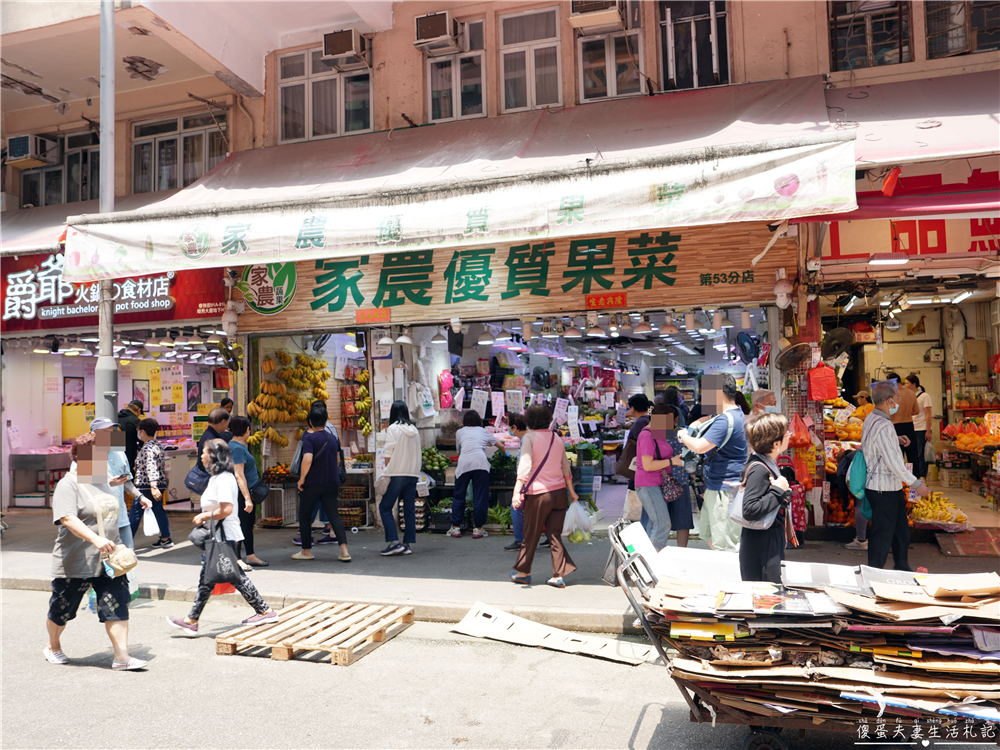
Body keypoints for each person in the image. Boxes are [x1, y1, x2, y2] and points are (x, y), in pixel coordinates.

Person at [44, 432, 147, 670]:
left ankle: (121, 657)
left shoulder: (101, 480)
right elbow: (67, 518)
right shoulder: (67, 484)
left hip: (109, 560)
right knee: (62, 609)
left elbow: (106, 510)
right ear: (82, 457)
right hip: (77, 560)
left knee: (117, 605)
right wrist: (95, 538)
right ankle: (53, 646)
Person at [166, 439, 278, 636]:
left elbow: (227, 509)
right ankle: (192, 620)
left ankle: (265, 610)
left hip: (224, 535)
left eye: (204, 452)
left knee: (234, 576)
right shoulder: (217, 477)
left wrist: (203, 515)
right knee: (208, 578)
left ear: (214, 455)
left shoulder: (225, 478)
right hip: (218, 534)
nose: (201, 456)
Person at [861, 380, 930, 571]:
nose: (898, 402)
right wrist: (916, 483)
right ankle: (873, 573)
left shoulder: (873, 418)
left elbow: (874, 443)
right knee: (882, 535)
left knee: (901, 532)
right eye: (897, 398)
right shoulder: (883, 425)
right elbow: (893, 462)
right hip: (882, 488)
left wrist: (895, 439)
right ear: (889, 401)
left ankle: (902, 567)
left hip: (891, 488)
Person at [511, 404, 579, 588]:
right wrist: (571, 491)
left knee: (530, 533)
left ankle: (523, 572)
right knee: (554, 535)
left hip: (539, 494)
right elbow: (566, 467)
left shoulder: (529, 438)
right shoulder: (556, 438)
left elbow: (524, 465)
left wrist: (517, 490)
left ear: (529, 420)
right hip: (559, 494)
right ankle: (558, 576)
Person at [677, 373, 746, 553]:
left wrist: (683, 436)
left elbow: (700, 447)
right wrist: (695, 425)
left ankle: (731, 579)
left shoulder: (724, 419)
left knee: (724, 544)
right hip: (719, 485)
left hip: (724, 487)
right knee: (712, 535)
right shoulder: (735, 414)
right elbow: (706, 421)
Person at [739, 413, 793, 583]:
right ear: (776, 443)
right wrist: (778, 490)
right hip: (762, 546)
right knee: (767, 600)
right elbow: (749, 509)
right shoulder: (759, 469)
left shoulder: (765, 463)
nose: (790, 435)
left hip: (765, 540)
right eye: (786, 433)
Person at [293, 404, 350, 562]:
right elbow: (338, 460)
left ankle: (306, 552)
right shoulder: (332, 438)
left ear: (310, 422)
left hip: (313, 483)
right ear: (325, 422)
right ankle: (344, 551)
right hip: (331, 482)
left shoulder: (309, 438)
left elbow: (308, 459)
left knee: (305, 516)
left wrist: (302, 478)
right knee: (334, 516)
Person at [86, 417, 143, 550]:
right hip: (98, 520)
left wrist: (140, 496)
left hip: (121, 517)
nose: (111, 435)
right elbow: (82, 487)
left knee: (128, 559)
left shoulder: (118, 450)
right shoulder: (88, 453)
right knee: (104, 563)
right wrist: (108, 483)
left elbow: (126, 480)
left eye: (113, 431)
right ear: (93, 434)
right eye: (106, 432)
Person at [635, 403, 683, 551]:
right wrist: (671, 461)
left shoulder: (658, 433)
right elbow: (648, 465)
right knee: (662, 523)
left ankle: (645, 561)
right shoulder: (647, 434)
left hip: (657, 484)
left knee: (652, 524)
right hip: (648, 484)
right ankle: (653, 560)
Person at [449, 410, 503, 540]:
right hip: (480, 464)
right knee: (480, 496)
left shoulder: (460, 432)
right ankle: (478, 529)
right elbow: (500, 445)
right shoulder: (483, 431)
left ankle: (455, 528)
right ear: (479, 420)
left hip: (464, 464)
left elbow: (459, 449)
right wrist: (505, 453)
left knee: (459, 495)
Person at [378, 401, 422, 557]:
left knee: (384, 507)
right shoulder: (414, 430)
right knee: (409, 509)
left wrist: (387, 472)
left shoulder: (393, 428)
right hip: (412, 474)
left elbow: (389, 452)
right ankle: (407, 544)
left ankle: (394, 543)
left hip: (397, 473)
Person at [228, 415, 268, 568]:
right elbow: (239, 475)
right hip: (241, 493)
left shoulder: (237, 446)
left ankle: (250, 555)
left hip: (244, 492)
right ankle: (238, 558)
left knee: (247, 525)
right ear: (246, 430)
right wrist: (247, 498)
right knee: (241, 525)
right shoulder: (237, 448)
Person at [129, 418, 172, 549]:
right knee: (158, 510)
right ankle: (165, 538)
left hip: (146, 485)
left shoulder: (147, 447)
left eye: (138, 431)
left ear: (142, 431)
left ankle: (126, 541)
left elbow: (151, 467)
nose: (138, 433)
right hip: (159, 483)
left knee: (135, 512)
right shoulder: (157, 445)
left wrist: (153, 486)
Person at [663, 405, 694, 547]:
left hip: (662, 480)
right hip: (680, 479)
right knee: (682, 519)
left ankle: (659, 551)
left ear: (676, 419)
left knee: (660, 520)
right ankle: (681, 551)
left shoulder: (656, 435)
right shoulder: (684, 433)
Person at [505, 414, 530, 551]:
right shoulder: (529, 437)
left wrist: (519, 485)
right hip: (536, 480)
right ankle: (551, 537)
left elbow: (526, 463)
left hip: (528, 480)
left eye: (510, 426)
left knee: (516, 507)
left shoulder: (527, 439)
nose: (509, 430)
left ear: (514, 427)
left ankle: (520, 540)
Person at [887, 373, 921, 470]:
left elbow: (887, 413)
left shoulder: (890, 395)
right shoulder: (911, 393)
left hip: (895, 426)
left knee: (897, 454)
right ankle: (915, 478)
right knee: (912, 454)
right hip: (909, 425)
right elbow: (916, 411)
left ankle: (900, 479)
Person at [906, 374, 934, 481]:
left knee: (921, 453)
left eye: (907, 383)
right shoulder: (909, 396)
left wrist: (928, 431)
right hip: (912, 428)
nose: (905, 385)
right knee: (913, 454)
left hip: (922, 429)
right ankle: (914, 475)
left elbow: (928, 414)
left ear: (914, 384)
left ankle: (922, 476)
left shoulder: (924, 396)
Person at [117, 399, 144, 472]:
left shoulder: (115, 416)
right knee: (128, 480)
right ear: (138, 410)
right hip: (129, 456)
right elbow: (142, 440)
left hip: (114, 456)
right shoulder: (135, 421)